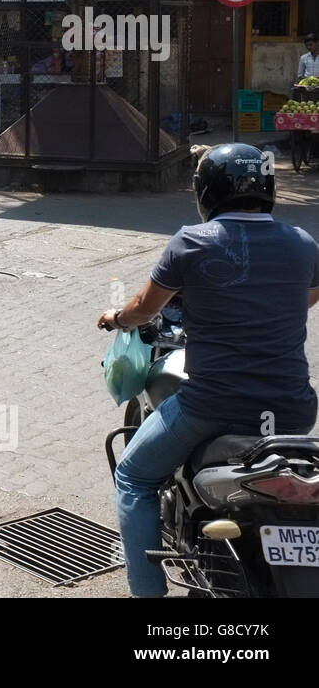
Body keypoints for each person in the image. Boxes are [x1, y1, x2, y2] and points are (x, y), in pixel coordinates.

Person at [98, 143, 319, 598]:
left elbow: (144, 308)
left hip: (213, 406)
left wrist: (117, 318)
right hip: (294, 411)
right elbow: (305, 299)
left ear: (206, 192)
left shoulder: (192, 241)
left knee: (134, 478)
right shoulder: (302, 243)